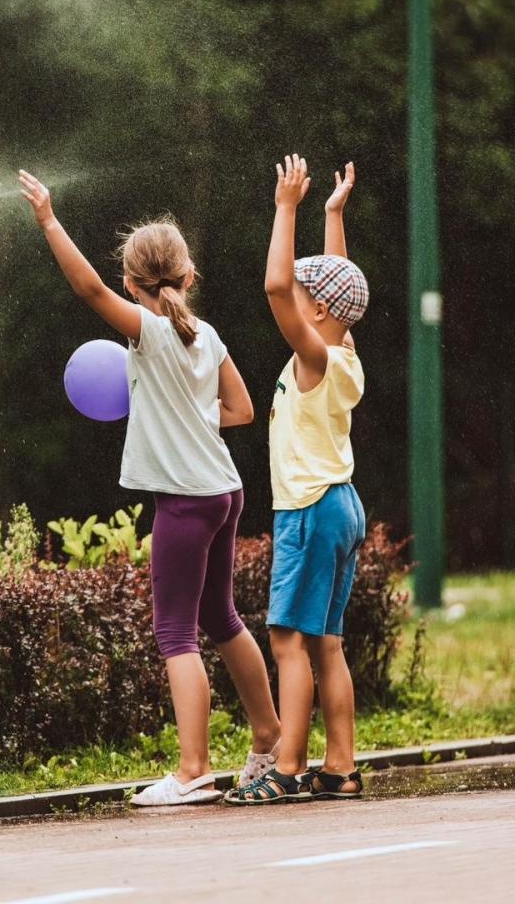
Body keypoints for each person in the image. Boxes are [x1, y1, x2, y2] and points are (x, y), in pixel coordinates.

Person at [18, 169, 281, 807]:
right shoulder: (206, 336)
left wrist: (50, 220)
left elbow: (86, 287)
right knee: (221, 617)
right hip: (225, 491)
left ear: (134, 284)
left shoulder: (149, 332)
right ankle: (269, 738)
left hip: (187, 502)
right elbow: (242, 410)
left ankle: (193, 770)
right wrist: (184, 415)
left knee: (175, 633)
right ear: (188, 276)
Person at [227, 155, 368, 805]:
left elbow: (277, 288)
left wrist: (286, 207)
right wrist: (332, 215)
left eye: (309, 294)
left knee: (288, 641)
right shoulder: (343, 352)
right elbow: (333, 285)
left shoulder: (313, 356)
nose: (299, 293)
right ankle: (339, 766)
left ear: (317, 310)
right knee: (328, 643)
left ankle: (287, 768)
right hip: (343, 504)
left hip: (309, 509)